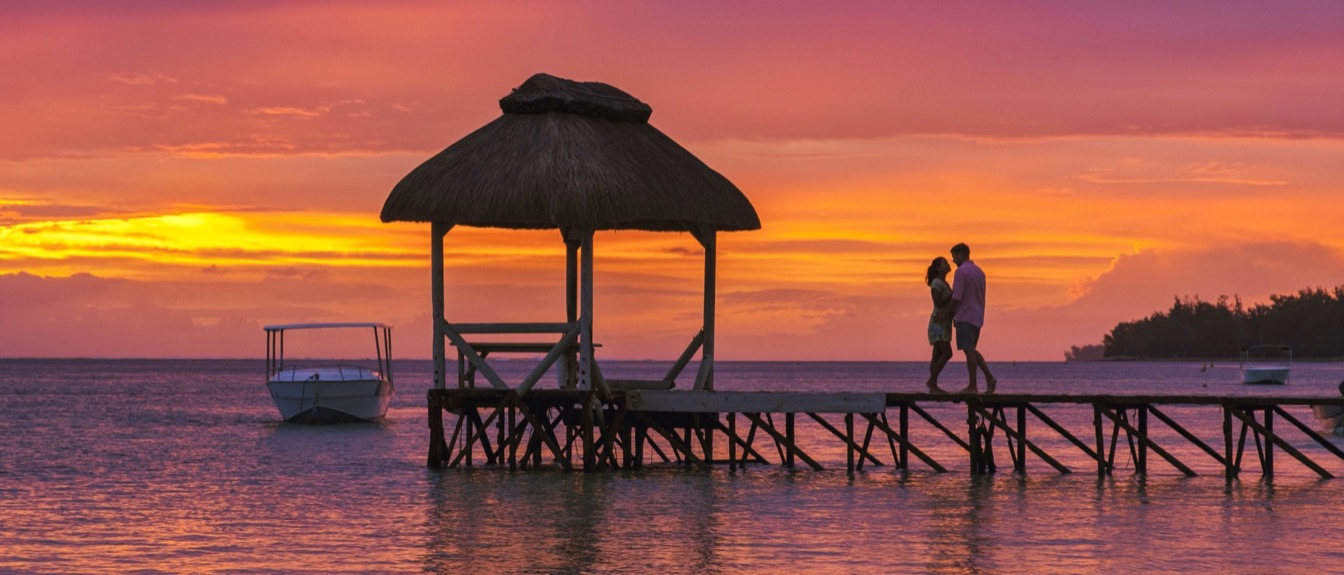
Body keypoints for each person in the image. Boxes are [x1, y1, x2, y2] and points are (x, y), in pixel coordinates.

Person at [949, 243, 996, 393]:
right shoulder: (979, 272)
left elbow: (957, 296)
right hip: (977, 316)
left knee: (969, 351)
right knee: (971, 350)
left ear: (961, 254)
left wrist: (948, 312)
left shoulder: (961, 272)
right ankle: (989, 378)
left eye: (954, 257)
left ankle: (973, 385)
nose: (953, 261)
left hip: (965, 315)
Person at [924, 257, 954, 393]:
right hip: (938, 322)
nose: (948, 264)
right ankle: (932, 382)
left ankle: (933, 386)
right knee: (947, 353)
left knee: (936, 355)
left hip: (944, 322)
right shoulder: (936, 283)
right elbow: (938, 302)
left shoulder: (944, 283)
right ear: (938, 268)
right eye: (944, 263)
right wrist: (952, 294)